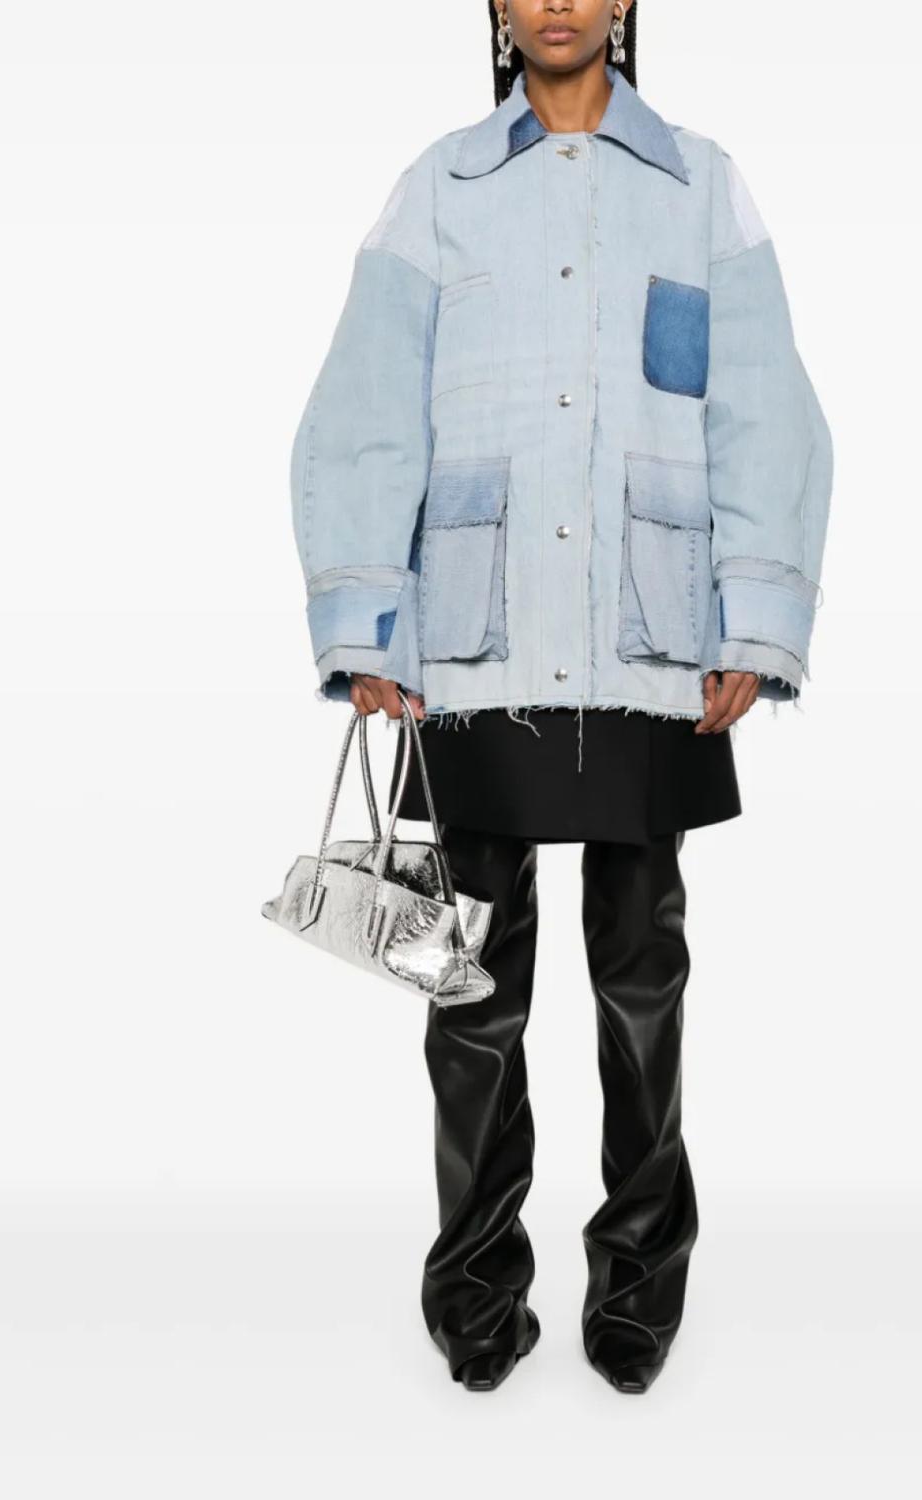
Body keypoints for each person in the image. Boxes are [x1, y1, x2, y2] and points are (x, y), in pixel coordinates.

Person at [288, 0, 832, 1394]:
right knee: (467, 994)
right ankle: (476, 1293)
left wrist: (753, 622)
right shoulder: (440, 186)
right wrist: (369, 622)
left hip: (652, 643)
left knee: (642, 981)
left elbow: (764, 409)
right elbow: (366, 407)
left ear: (627, 2)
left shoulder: (701, 185)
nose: (556, 2)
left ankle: (639, 1288)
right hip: (476, 648)